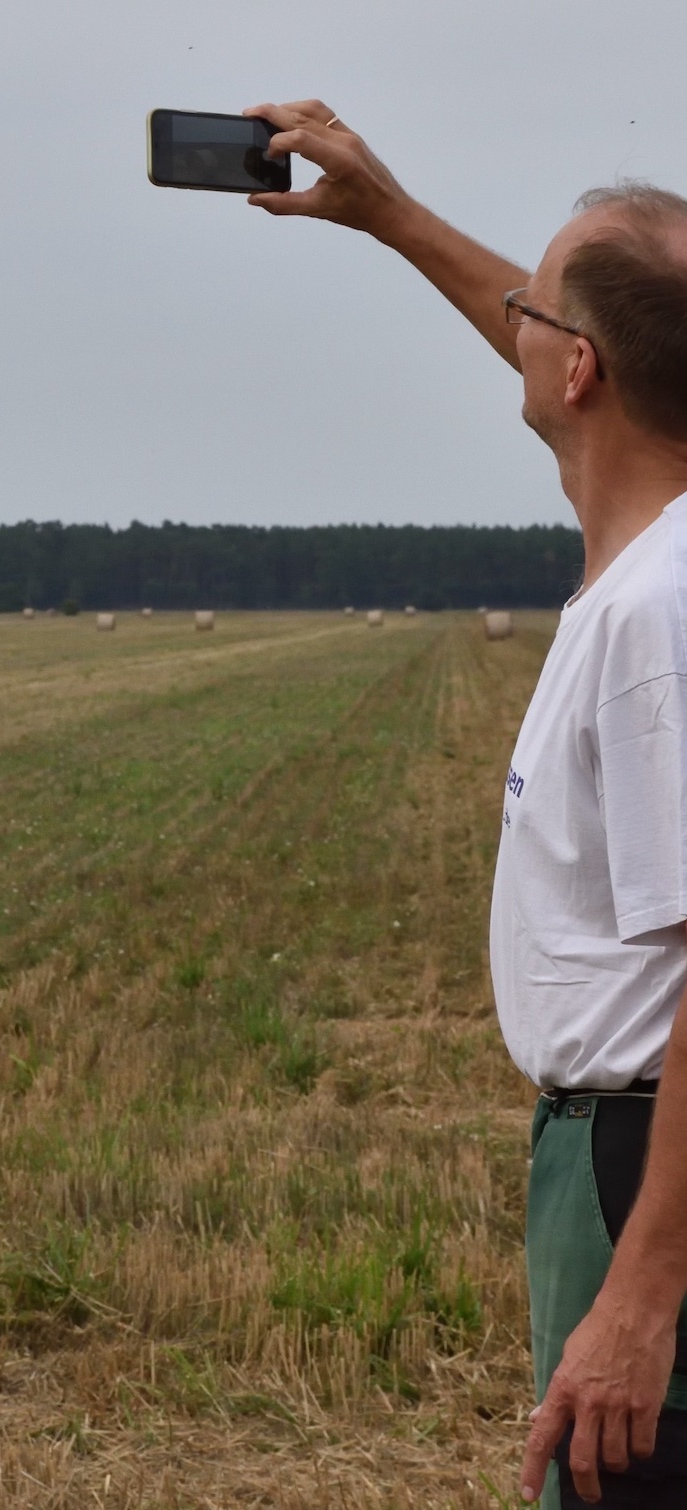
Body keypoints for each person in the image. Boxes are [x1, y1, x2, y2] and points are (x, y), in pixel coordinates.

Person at [242, 101, 687, 1506]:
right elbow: (575, 320)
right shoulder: (653, 562)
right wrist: (386, 212)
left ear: (580, 372)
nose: (509, 313)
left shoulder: (662, 617)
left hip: (644, 1162)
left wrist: (641, 1288)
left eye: (532, 307)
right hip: (614, 1151)